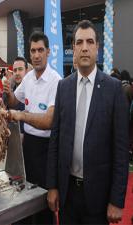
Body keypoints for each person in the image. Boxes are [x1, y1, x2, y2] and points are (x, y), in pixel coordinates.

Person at [47, 20, 129, 225]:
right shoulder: (63, 87)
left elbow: (120, 151)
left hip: (98, 198)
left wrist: (117, 200)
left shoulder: (114, 89)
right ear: (73, 48)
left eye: (90, 41)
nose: (84, 47)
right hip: (67, 195)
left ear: (97, 47)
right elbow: (55, 139)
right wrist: (53, 186)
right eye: (79, 42)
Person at [3, 31, 61, 224]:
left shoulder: (56, 81)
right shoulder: (28, 79)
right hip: (27, 149)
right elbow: (13, 101)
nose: (36, 55)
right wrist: (8, 91)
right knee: (24, 200)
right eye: (33, 51)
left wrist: (21, 115)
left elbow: (48, 121)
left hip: (46, 150)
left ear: (48, 52)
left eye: (40, 50)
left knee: (44, 205)